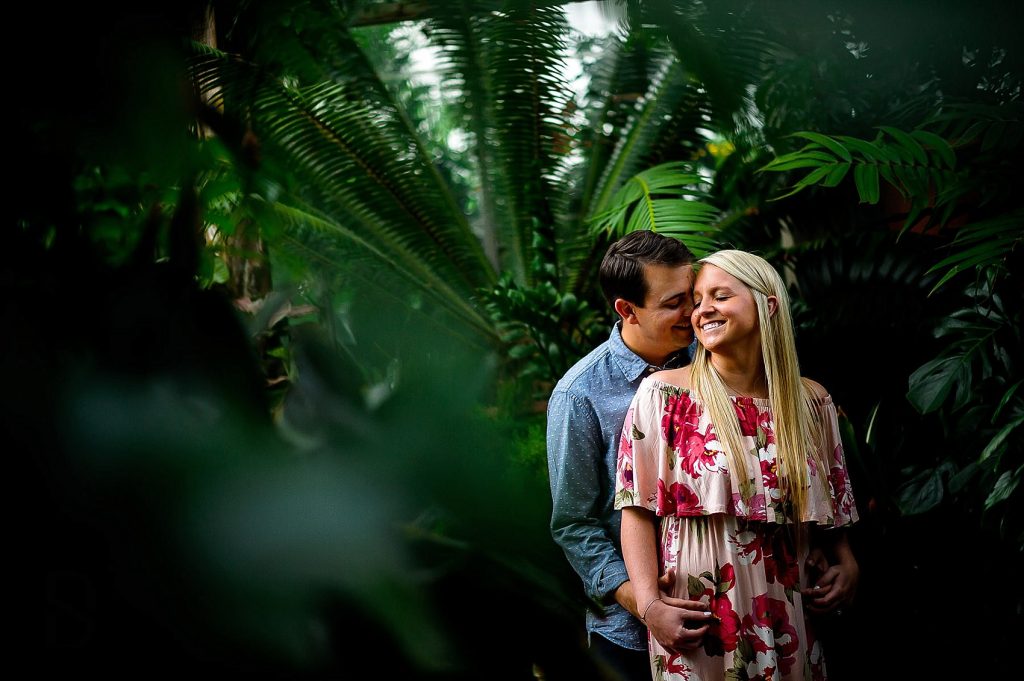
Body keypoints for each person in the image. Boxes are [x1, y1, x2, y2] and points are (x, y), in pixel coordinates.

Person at [616, 249, 859, 680]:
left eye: (720, 296)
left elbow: (833, 514)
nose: (701, 309)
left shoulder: (811, 402)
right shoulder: (664, 396)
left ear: (768, 304)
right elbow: (636, 510)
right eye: (697, 298)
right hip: (697, 624)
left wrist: (847, 563)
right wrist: (650, 605)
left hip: (792, 618)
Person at [547, 230, 702, 681]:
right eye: (674, 303)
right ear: (626, 310)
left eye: (692, 296)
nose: (693, 312)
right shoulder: (579, 396)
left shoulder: (715, 361)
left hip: (725, 614)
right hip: (627, 634)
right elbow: (573, 522)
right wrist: (641, 600)